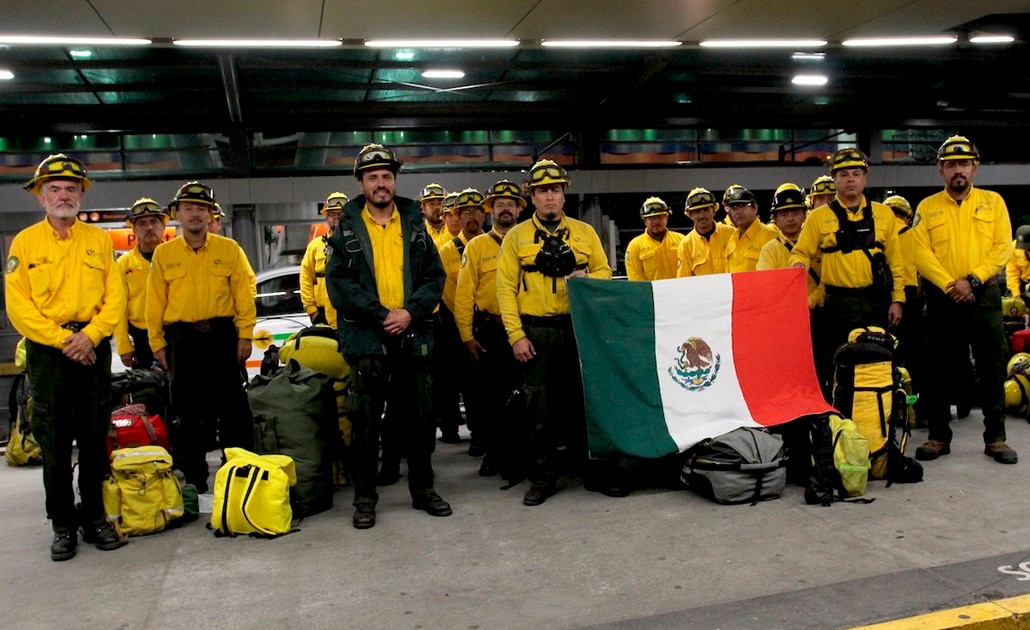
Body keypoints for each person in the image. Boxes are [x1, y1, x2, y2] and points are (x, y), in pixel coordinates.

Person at [5, 154, 127, 560]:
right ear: (41, 197)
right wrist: (64, 341)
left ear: (80, 195)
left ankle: (94, 518)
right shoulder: (25, 244)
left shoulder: (99, 241)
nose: (63, 195)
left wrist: (90, 336)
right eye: (54, 189)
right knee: (54, 445)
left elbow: (115, 298)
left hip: (91, 349)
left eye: (71, 189)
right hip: (49, 354)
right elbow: (18, 308)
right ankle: (63, 526)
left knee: (94, 440)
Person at [325, 143, 452, 529]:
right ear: (361, 183)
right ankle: (365, 499)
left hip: (412, 332)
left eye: (386, 176)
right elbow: (338, 284)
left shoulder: (414, 224)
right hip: (367, 337)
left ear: (394, 180)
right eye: (372, 177)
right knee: (364, 422)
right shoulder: (346, 228)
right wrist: (382, 315)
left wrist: (409, 312)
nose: (381, 184)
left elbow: (435, 276)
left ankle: (423, 489)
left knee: (420, 417)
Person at [495, 159, 613, 506]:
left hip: (579, 329)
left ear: (564, 195)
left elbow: (606, 270)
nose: (550, 197)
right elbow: (505, 289)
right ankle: (542, 478)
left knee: (585, 404)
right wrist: (516, 336)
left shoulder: (584, 232)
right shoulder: (516, 238)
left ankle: (592, 471)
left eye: (556, 191)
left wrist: (589, 279)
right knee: (539, 409)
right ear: (531, 197)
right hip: (537, 332)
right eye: (543, 191)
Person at [910, 136, 1017, 464]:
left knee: (992, 367)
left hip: (983, 294)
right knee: (939, 369)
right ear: (941, 170)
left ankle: (996, 439)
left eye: (964, 164)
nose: (958, 171)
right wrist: (949, 284)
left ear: (975, 168)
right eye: (951, 165)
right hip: (943, 297)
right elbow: (919, 252)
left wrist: (972, 280)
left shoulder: (994, 202)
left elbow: (1004, 247)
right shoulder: (928, 207)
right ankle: (939, 437)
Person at [146, 181, 256, 492]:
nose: (196, 214)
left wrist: (245, 335)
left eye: (202, 208)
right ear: (178, 214)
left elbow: (243, 297)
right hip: (182, 340)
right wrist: (158, 344)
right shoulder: (164, 255)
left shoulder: (229, 249)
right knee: (187, 413)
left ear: (210, 214)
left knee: (233, 410)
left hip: (221, 335)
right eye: (189, 208)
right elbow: (153, 302)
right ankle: (194, 477)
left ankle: (239, 470)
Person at [789, 148, 905, 398]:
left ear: (865, 178)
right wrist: (798, 265)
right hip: (837, 305)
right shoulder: (818, 217)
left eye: (856, 173)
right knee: (837, 362)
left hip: (877, 302)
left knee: (879, 361)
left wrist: (897, 300)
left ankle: (880, 419)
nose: (850, 179)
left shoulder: (884, 214)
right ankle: (838, 421)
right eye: (843, 174)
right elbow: (800, 252)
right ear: (834, 180)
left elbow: (896, 261)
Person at [455, 179, 525, 478]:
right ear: (490, 210)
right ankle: (495, 455)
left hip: (526, 330)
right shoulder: (477, 246)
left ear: (519, 209)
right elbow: (462, 296)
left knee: (526, 397)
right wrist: (467, 337)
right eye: (499, 205)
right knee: (492, 399)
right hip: (492, 333)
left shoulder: (529, 240)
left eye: (510, 204)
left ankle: (525, 455)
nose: (505, 209)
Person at [115, 197, 168, 369]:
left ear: (163, 226)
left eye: (154, 221)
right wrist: (123, 345)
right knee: (147, 391)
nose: (149, 227)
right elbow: (119, 306)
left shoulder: (177, 256)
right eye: (142, 223)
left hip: (175, 333)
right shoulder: (124, 264)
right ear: (134, 229)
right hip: (141, 338)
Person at [757, 184, 824, 308]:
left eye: (795, 213)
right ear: (775, 218)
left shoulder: (818, 243)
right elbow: (766, 284)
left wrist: (810, 301)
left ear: (805, 215)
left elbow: (827, 280)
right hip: (784, 311)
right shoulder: (770, 250)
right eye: (784, 214)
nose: (790, 219)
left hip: (820, 310)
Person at [300, 192, 346, 327]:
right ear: (326, 217)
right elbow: (305, 278)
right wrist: (312, 310)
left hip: (351, 312)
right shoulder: (315, 246)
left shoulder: (356, 245)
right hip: (322, 313)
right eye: (332, 214)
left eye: (340, 214)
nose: (336, 218)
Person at [677, 187, 733, 278]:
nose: (702, 215)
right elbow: (683, 282)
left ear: (714, 211)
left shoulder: (731, 234)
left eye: (706, 210)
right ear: (690, 215)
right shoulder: (686, 245)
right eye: (697, 211)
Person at [624, 197, 684, 281]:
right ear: (644, 221)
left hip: (679, 292)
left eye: (659, 217)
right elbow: (635, 280)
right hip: (651, 293)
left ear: (666, 217)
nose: (655, 222)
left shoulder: (681, 240)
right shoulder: (635, 246)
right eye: (650, 218)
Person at [723, 184, 778, 272]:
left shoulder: (768, 235)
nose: (738, 211)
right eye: (734, 207)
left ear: (755, 208)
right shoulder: (733, 238)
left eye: (742, 206)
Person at [1005, 225, 1030, 299]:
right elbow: (1012, 273)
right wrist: (1016, 294)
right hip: (1023, 283)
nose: (1023, 248)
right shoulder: (1013, 248)